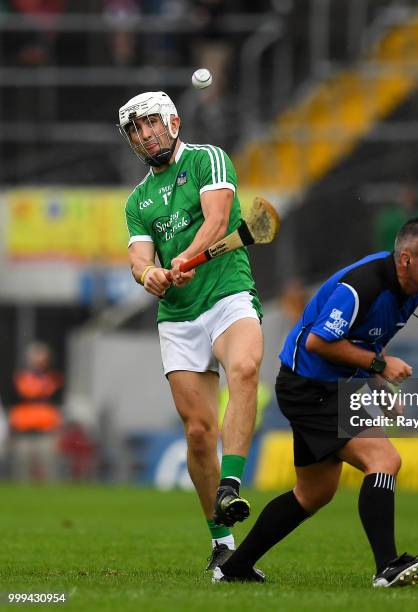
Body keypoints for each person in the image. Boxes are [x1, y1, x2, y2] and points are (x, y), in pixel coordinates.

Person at [215, 217, 418, 586]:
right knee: (384, 459)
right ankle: (387, 566)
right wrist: (380, 366)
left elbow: (369, 339)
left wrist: (379, 386)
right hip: (310, 387)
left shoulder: (414, 291)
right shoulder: (361, 287)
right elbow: (318, 342)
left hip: (326, 388)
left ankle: (234, 569)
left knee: (313, 493)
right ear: (406, 259)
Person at [118, 90, 264, 570]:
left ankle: (231, 484)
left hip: (226, 293)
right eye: (136, 130)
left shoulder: (208, 159)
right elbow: (140, 257)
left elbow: (220, 219)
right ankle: (222, 543)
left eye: (151, 124)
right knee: (199, 433)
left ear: (174, 122)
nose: (145, 135)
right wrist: (150, 276)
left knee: (244, 367)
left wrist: (184, 258)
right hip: (179, 316)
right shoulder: (138, 201)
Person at [9, 341, 63, 482]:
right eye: (35, 357)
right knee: (22, 471)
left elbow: (54, 396)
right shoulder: (20, 378)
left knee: (48, 470)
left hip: (46, 431)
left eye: (41, 357)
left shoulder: (53, 378)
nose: (38, 361)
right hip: (24, 432)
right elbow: (19, 396)